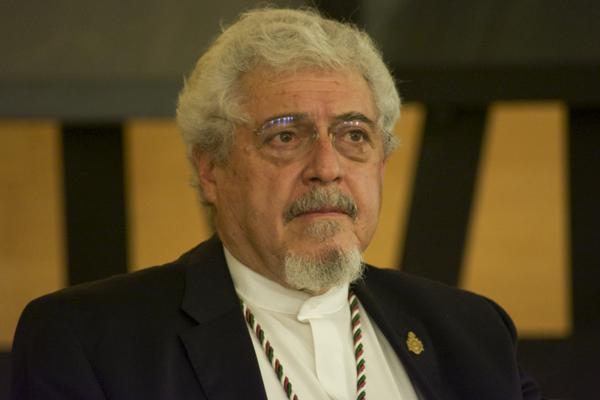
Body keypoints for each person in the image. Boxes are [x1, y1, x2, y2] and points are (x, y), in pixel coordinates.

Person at [10, 7, 543, 400]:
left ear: (381, 162)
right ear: (211, 168)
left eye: (353, 135)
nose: (327, 167)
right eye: (285, 136)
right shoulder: (91, 342)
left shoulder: (472, 332)